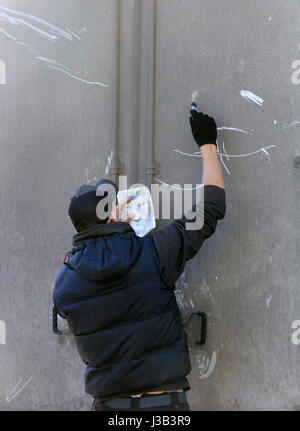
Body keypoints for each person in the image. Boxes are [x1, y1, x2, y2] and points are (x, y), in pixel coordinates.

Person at [53, 104, 226, 411]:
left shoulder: (64, 286)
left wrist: (118, 230)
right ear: (112, 216)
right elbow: (211, 208)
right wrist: (207, 145)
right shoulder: (155, 251)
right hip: (164, 404)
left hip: (109, 407)